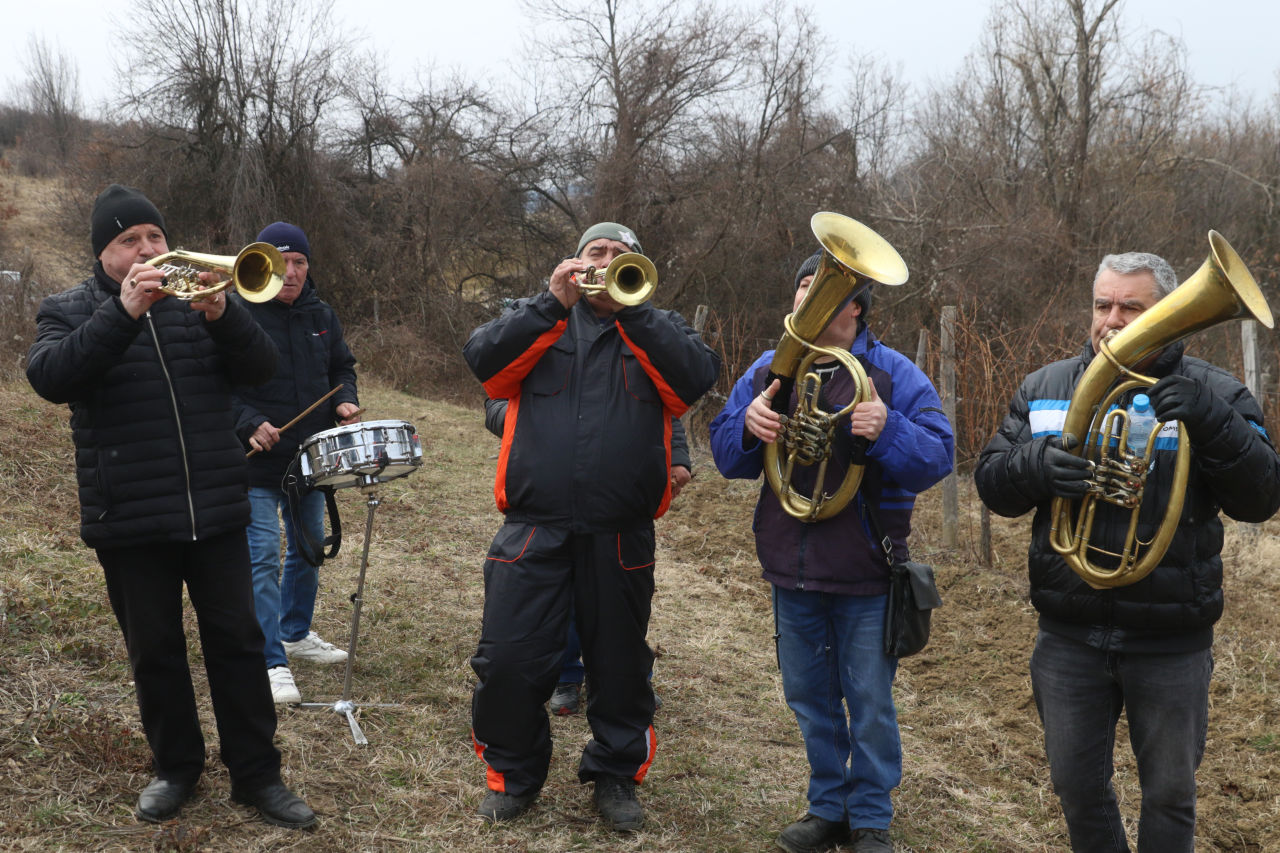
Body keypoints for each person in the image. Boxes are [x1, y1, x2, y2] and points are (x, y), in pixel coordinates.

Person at [25, 184, 316, 829]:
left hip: (214, 506)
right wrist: (121, 314)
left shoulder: (198, 304)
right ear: (105, 253)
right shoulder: (68, 309)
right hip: (128, 515)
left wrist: (224, 313)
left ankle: (257, 775)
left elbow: (262, 370)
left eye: (154, 236)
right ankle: (176, 769)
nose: (148, 249)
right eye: (129, 241)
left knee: (238, 642)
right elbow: (51, 377)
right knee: (155, 650)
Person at [974, 251, 1280, 852]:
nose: (1112, 320)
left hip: (1170, 643)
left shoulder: (1218, 392)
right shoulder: (1045, 388)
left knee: (1169, 795)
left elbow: (1263, 496)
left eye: (1130, 307)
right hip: (1068, 635)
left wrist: (1212, 420)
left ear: (1164, 311)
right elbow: (992, 482)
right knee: (1075, 785)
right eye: (1102, 304)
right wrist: (1036, 466)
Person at [462, 221, 720, 831]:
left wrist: (635, 311)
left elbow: (695, 379)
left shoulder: (657, 327)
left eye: (622, 255)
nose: (608, 261)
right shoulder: (542, 318)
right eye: (596, 252)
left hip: (621, 531)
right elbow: (483, 363)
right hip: (533, 526)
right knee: (508, 660)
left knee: (620, 666)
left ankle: (615, 776)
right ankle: (514, 776)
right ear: (575, 262)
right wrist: (553, 301)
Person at [709, 250, 954, 853]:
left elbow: (938, 457)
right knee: (810, 698)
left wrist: (887, 428)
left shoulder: (894, 373)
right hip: (790, 566)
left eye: (823, 290)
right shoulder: (771, 369)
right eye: (802, 287)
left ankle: (869, 816)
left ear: (855, 306)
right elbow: (724, 454)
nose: (806, 298)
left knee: (868, 701)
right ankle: (827, 806)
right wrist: (748, 426)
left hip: (867, 571)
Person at [483, 397, 690, 716]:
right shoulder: (529, 348)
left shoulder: (636, 346)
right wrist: (546, 424)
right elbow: (495, 404)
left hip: (619, 500)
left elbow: (660, 406)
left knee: (619, 600)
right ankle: (566, 677)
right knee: (560, 596)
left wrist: (677, 456)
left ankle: (626, 680)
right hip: (547, 498)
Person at [231, 222, 360, 706]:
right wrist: (248, 420)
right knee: (261, 557)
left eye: (300, 262)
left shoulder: (321, 315)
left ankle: (295, 633)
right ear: (262, 265)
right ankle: (270, 661)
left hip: (312, 459)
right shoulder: (237, 314)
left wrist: (345, 400)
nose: (291, 272)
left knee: (307, 548)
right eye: (281, 262)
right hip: (257, 463)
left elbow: (341, 368)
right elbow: (214, 382)